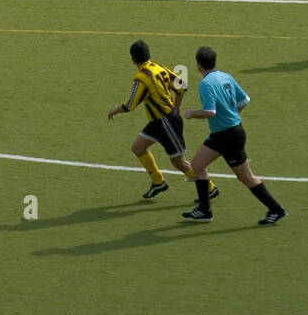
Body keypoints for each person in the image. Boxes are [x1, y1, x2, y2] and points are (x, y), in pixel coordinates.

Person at [181, 47, 287, 226]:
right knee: (197, 166)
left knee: (246, 177)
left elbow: (210, 112)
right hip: (222, 134)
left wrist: (192, 113)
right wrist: (232, 114)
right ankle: (204, 210)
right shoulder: (226, 76)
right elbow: (245, 100)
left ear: (198, 65)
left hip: (229, 136)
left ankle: (276, 210)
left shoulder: (205, 84)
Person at [108, 40, 218, 202]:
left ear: (133, 59)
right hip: (158, 122)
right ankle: (158, 182)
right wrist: (177, 107)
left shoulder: (141, 78)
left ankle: (210, 188)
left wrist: (114, 110)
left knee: (179, 163)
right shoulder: (159, 67)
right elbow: (182, 86)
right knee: (138, 148)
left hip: (166, 123)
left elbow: (130, 105)